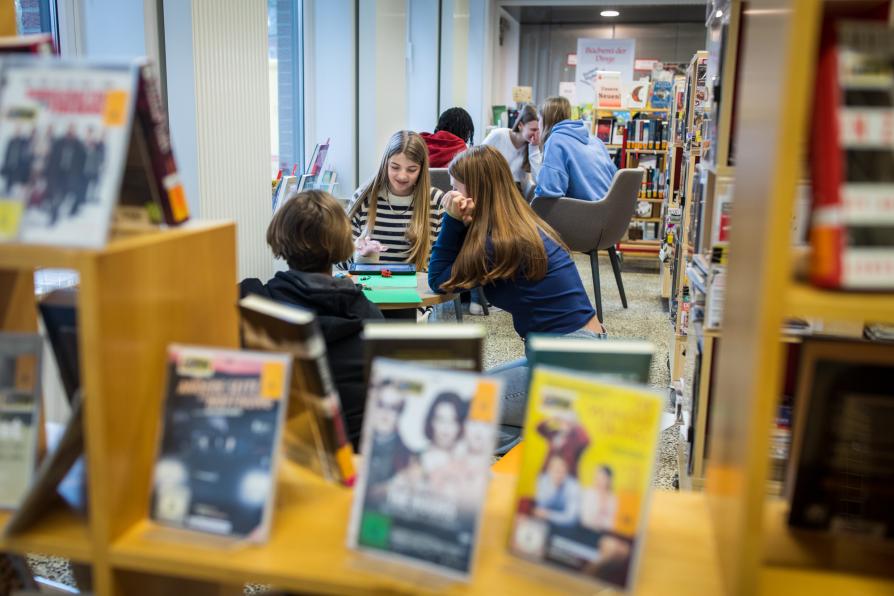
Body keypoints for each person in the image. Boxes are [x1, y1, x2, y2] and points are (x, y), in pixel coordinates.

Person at [427, 145, 605, 448]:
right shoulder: (516, 225)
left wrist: (452, 220)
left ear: (475, 191)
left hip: (568, 365)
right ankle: (555, 432)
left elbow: (439, 280)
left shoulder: (497, 241)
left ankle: (557, 438)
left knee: (453, 411)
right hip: (577, 354)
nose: (450, 193)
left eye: (456, 186)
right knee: (470, 393)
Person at [240, 190, 384, 447]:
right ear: (342, 240)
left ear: (280, 235)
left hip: (278, 452)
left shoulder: (252, 304)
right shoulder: (370, 318)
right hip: (350, 456)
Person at [347, 130, 444, 269]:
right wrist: (361, 254)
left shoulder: (436, 202)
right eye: (395, 167)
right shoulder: (363, 198)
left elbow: (442, 263)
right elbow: (341, 261)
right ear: (385, 164)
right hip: (371, 287)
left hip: (419, 289)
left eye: (411, 170)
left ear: (422, 170)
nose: (402, 176)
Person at [535, 96, 617, 201]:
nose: (538, 125)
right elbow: (615, 178)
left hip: (585, 213)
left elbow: (547, 193)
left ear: (545, 120)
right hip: (610, 211)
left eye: (539, 119)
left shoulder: (555, 140)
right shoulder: (596, 141)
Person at [481, 104, 542, 184]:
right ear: (520, 126)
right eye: (533, 130)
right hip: (493, 184)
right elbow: (478, 157)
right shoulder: (498, 134)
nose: (537, 134)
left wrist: (534, 148)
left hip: (516, 188)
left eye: (538, 130)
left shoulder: (533, 146)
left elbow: (538, 180)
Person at [534, 455, 580, 528]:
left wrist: (548, 514)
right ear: (549, 470)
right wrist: (554, 487)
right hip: (543, 524)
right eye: (556, 470)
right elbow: (540, 507)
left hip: (565, 528)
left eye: (562, 471)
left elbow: (571, 518)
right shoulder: (542, 480)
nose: (559, 475)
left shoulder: (573, 486)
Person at [580, 465, 618, 532]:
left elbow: (612, 523)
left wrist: (601, 523)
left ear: (609, 480)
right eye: (597, 477)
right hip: (587, 531)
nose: (598, 481)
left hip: (605, 533)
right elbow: (585, 519)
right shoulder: (589, 493)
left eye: (602, 478)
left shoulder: (613, 498)